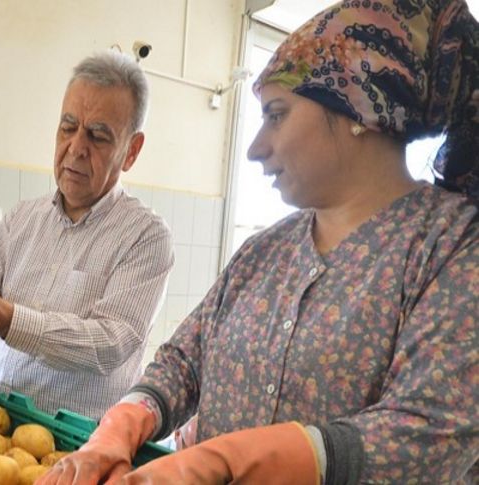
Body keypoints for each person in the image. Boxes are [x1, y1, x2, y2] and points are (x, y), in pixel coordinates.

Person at [40, 1, 478, 483]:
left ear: (358, 108)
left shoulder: (452, 247)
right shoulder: (265, 252)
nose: (254, 148)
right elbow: (184, 360)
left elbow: (430, 432)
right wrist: (125, 422)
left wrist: (227, 461)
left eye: (276, 115)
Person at [0, 50, 174, 419]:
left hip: (81, 449)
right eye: (68, 127)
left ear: (131, 151)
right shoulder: (22, 219)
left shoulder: (145, 238)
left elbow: (109, 343)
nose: (76, 148)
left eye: (98, 136)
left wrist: (8, 320)